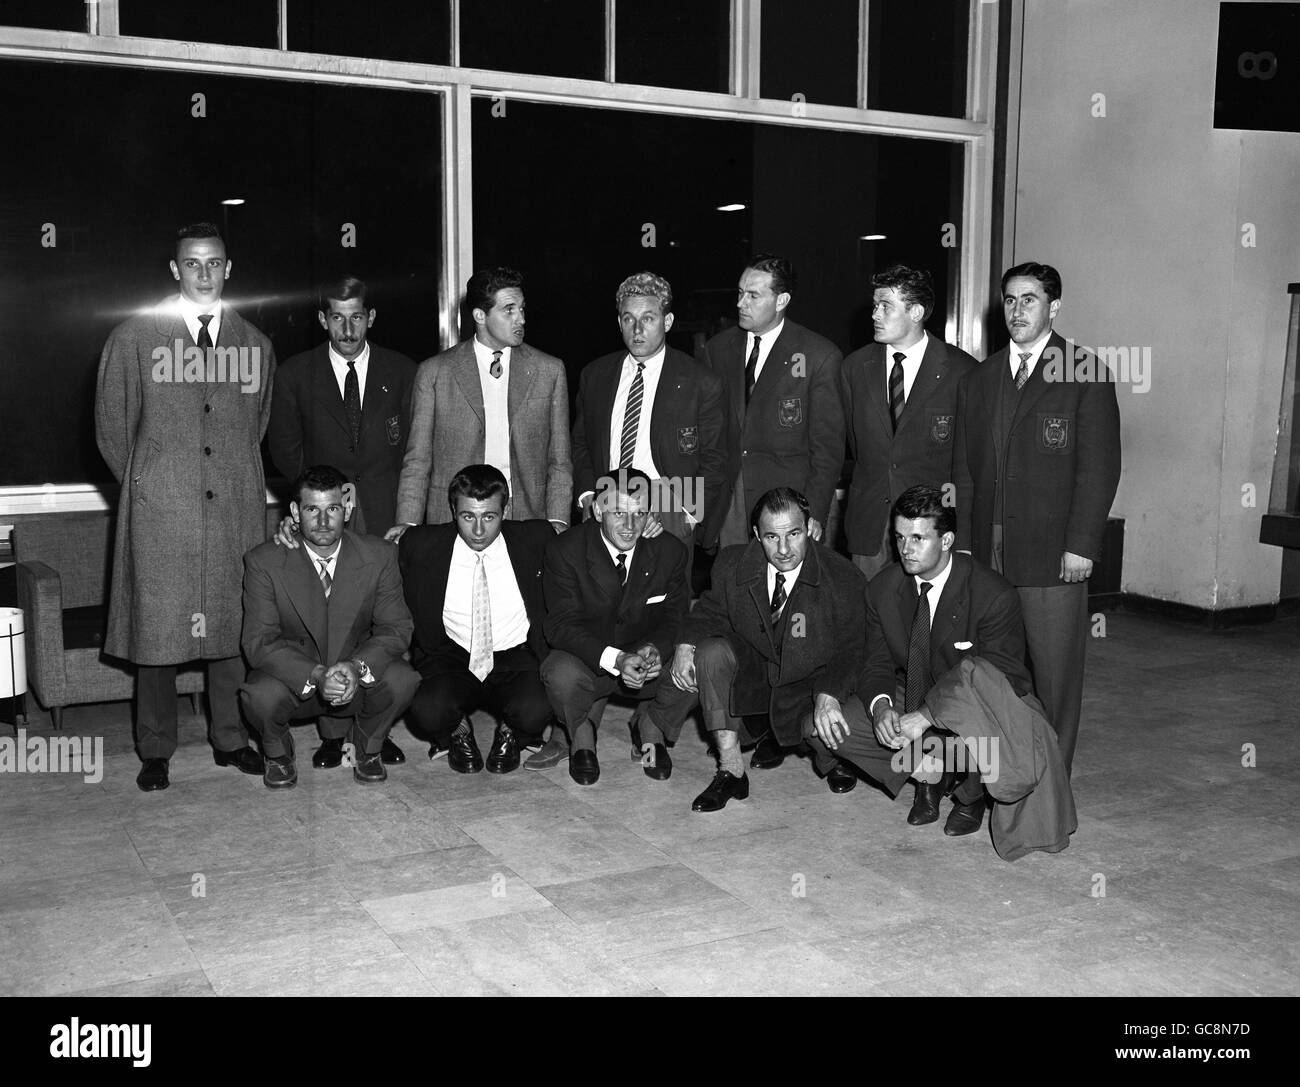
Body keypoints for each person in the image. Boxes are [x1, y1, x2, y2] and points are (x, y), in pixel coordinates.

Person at [94, 222, 274, 792]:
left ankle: (230, 738)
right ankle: (155, 748)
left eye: (213, 263)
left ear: (229, 268)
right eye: (192, 264)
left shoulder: (255, 345)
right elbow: (112, 428)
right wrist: (152, 480)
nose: (203, 273)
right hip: (160, 512)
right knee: (157, 631)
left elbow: (256, 428)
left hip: (232, 513)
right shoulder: (133, 339)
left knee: (230, 624)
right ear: (175, 270)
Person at [807, 485, 1076, 857]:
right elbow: (876, 662)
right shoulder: (883, 589)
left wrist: (928, 715)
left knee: (984, 733)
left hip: (977, 707)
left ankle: (970, 792)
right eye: (900, 537)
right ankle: (928, 772)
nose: (906, 549)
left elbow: (1003, 681)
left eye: (919, 538)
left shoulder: (992, 594)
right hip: (911, 692)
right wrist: (882, 707)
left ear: (947, 539)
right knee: (824, 731)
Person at [952, 262, 1121, 775]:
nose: (1017, 310)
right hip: (989, 548)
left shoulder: (1084, 373)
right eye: (1009, 299)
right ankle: (999, 771)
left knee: (1054, 675)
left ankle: (1051, 781)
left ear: (1054, 307)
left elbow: (1100, 470)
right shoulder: (980, 379)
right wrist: (960, 541)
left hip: (1053, 551)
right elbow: (963, 467)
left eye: (1029, 299)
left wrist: (1082, 544)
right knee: (994, 669)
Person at [659, 487, 866, 812]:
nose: (783, 549)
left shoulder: (843, 577)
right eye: (771, 537)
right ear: (756, 535)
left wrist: (829, 695)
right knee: (710, 652)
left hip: (810, 685)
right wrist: (687, 643)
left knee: (829, 729)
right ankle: (730, 770)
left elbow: (853, 649)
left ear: (809, 527)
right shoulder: (733, 564)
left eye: (793, 534)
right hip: (758, 677)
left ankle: (835, 760)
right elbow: (710, 610)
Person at [239, 466, 419, 788]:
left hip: (355, 673)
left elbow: (396, 628)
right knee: (258, 695)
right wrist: (317, 674)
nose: (323, 522)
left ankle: (367, 748)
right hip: (299, 680)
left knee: (403, 679)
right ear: (295, 512)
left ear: (346, 510)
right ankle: (278, 754)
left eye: (332, 509)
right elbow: (259, 641)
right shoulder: (263, 562)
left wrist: (354, 666)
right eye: (312, 509)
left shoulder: (379, 555)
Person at [390, 267, 571, 539]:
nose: (520, 319)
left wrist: (558, 521)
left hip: (526, 520)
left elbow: (559, 460)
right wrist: (409, 525)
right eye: (509, 310)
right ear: (479, 315)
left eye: (522, 309)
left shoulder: (550, 370)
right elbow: (418, 460)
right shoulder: (435, 372)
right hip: (452, 520)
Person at [571, 271, 728, 579]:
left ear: (667, 322)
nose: (638, 329)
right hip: (607, 499)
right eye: (628, 319)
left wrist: (685, 515)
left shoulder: (700, 381)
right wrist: (589, 496)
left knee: (664, 613)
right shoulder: (596, 375)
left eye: (649, 318)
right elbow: (581, 444)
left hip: (669, 503)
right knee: (602, 604)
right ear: (619, 322)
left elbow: (715, 459)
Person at [398, 465, 554, 774]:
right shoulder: (420, 544)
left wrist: (646, 530)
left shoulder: (536, 539)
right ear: (453, 510)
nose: (479, 530)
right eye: (468, 517)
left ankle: (511, 731)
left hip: (515, 654)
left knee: (538, 709)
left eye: (489, 517)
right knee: (426, 710)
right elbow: (370, 559)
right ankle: (458, 731)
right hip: (451, 654)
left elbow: (589, 545)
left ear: (504, 511)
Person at [540, 468, 689, 785]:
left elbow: (675, 618)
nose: (630, 526)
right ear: (597, 509)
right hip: (589, 656)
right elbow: (560, 626)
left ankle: (649, 726)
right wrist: (616, 659)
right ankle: (582, 734)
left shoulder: (669, 551)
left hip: (643, 658)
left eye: (639, 513)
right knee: (559, 674)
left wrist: (654, 650)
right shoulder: (565, 550)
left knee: (698, 659)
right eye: (618, 512)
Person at [699, 254, 844, 549]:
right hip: (731, 505)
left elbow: (827, 449)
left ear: (781, 301)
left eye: (753, 295)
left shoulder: (818, 355)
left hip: (788, 506)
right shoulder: (717, 350)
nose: (741, 303)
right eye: (740, 293)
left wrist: (813, 511)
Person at [842, 264, 977, 578]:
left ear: (916, 312)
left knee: (926, 620)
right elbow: (854, 445)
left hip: (931, 529)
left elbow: (967, 466)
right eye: (875, 305)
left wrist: (965, 536)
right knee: (870, 616)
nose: (875, 314)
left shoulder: (962, 372)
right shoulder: (854, 368)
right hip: (870, 527)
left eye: (885, 307)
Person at [268, 275, 415, 538]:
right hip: (322, 518)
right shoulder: (294, 375)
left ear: (370, 318)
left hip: (386, 516)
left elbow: (412, 451)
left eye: (356, 318)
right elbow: (285, 451)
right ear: (323, 320)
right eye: (338, 318)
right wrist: (316, 497)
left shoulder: (403, 372)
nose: (348, 330)